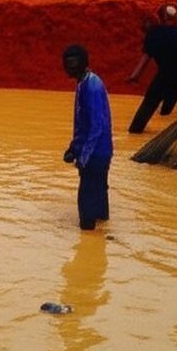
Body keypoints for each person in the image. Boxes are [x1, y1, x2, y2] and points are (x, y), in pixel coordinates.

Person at [127, 3, 177, 133]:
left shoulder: (154, 34)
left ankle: (136, 130)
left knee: (149, 104)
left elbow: (146, 56)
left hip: (164, 76)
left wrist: (135, 76)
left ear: (161, 17)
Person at [62, 44, 112, 231]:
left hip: (95, 154)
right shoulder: (85, 83)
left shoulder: (91, 86)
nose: (70, 68)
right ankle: (102, 245)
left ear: (83, 63)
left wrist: (84, 157)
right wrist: (73, 148)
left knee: (86, 209)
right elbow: (82, 124)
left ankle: (90, 248)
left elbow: (96, 126)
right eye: (68, 65)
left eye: (74, 64)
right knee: (99, 203)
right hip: (97, 152)